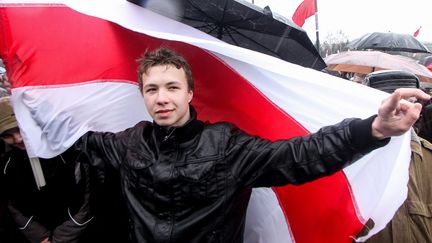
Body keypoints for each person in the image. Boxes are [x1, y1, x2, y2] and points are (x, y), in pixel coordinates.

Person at [68, 47, 429, 243]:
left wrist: (374, 129)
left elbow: (300, 156)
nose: (162, 98)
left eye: (172, 87)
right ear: (142, 95)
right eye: (152, 89)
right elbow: (70, 141)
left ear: (190, 93)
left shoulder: (225, 144)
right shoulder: (127, 143)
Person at [0, 97, 95, 243]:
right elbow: (13, 206)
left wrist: (61, 238)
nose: (18, 139)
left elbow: (87, 199)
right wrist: (40, 236)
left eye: (20, 128)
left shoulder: (68, 150)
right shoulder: (7, 164)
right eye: (8, 135)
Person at [358, 70, 432, 243]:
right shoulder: (350, 160)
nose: (400, 111)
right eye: (390, 104)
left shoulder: (428, 159)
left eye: (410, 103)